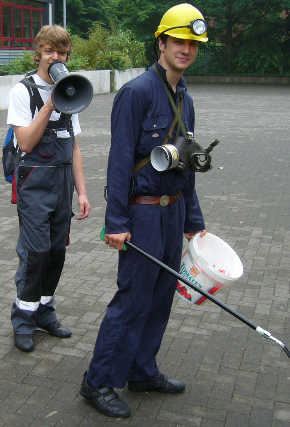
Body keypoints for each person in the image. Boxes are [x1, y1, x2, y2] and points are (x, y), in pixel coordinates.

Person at [80, 3, 207, 418]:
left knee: (160, 298)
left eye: (192, 44)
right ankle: (97, 381)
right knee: (133, 299)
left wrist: (194, 222)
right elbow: (119, 162)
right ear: (162, 42)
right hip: (142, 214)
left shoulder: (184, 95)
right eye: (179, 42)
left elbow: (187, 161)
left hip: (173, 213)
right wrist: (114, 221)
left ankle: (142, 371)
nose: (186, 50)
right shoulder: (136, 93)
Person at [7, 25, 91, 352]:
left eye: (62, 52)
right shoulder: (22, 91)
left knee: (57, 252)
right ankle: (23, 319)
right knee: (36, 252)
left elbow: (75, 148)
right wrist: (50, 104)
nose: (56, 58)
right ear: (39, 53)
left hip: (63, 184)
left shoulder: (73, 90)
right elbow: (25, 142)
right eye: (49, 51)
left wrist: (82, 192)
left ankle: (44, 311)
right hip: (34, 184)